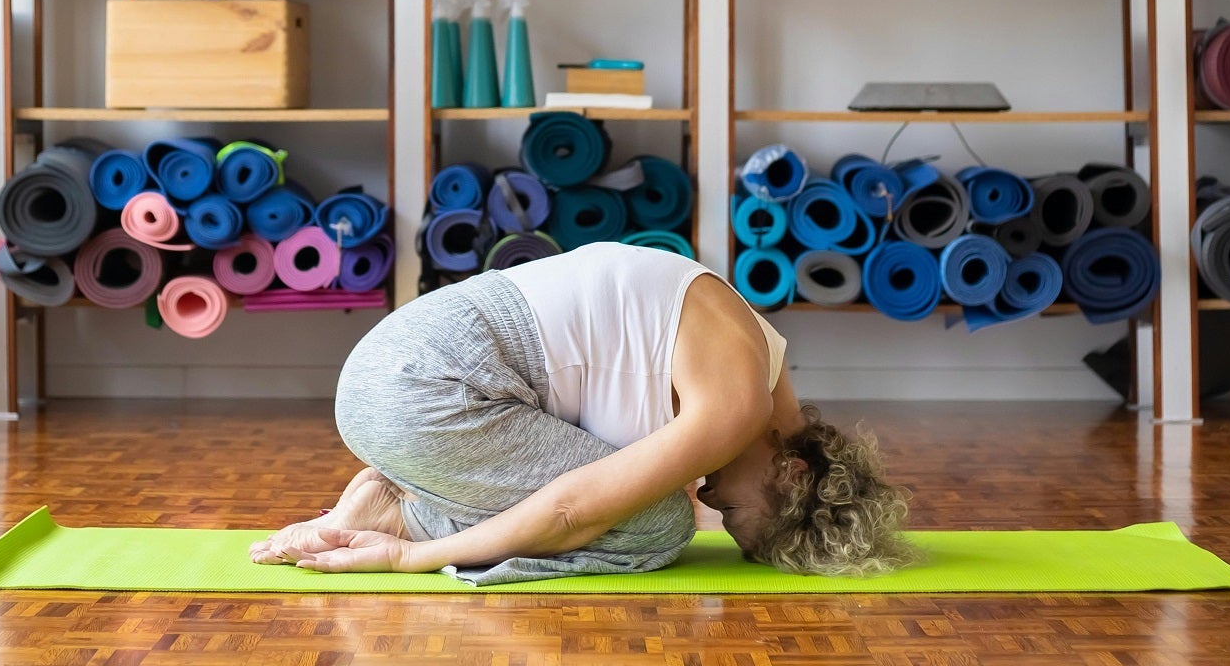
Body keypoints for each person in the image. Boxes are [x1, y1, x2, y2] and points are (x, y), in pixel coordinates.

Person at [249, 241, 915, 584]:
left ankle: (404, 486)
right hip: (427, 390)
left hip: (400, 369)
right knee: (659, 526)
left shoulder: (761, 358)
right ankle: (404, 514)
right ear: (794, 473)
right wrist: (408, 558)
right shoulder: (740, 403)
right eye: (740, 520)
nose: (716, 503)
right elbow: (572, 511)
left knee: (637, 498)